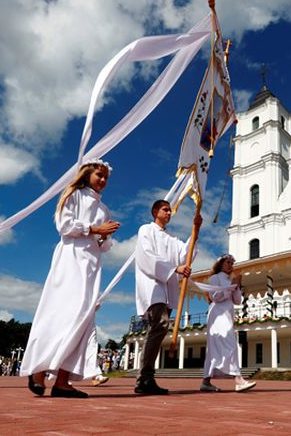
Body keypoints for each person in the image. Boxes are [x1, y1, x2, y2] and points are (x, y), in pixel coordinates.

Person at [20, 159, 119, 399]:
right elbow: (64, 226)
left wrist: (105, 238)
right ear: (87, 174)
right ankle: (39, 369)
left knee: (82, 318)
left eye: (106, 177)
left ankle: (63, 381)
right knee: (60, 312)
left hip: (91, 264)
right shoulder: (73, 194)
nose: (103, 180)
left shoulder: (104, 209)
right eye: (99, 175)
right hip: (71, 258)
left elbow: (104, 246)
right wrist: (95, 230)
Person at [134, 199, 201, 395]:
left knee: (158, 328)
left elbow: (184, 255)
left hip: (167, 286)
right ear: (155, 211)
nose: (169, 213)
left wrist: (195, 231)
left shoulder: (172, 239)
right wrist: (173, 269)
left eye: (170, 210)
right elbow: (147, 255)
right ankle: (144, 378)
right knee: (161, 324)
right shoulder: (146, 230)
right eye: (165, 209)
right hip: (152, 285)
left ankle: (146, 378)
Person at [199, 254, 256, 393]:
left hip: (227, 315)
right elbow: (216, 297)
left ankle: (206, 382)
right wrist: (232, 285)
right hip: (217, 315)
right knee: (228, 344)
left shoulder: (229, 280)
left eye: (231, 263)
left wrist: (236, 286)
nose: (230, 265)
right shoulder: (214, 278)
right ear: (220, 264)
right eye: (227, 262)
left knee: (220, 346)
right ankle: (238, 379)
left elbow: (237, 301)